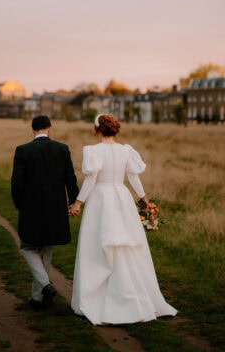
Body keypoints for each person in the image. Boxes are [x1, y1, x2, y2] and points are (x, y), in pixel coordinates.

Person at [69, 113, 177, 325]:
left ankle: (98, 296)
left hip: (101, 200)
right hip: (122, 197)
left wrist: (78, 203)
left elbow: (91, 179)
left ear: (97, 130)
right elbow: (133, 177)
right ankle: (128, 294)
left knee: (97, 246)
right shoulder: (125, 151)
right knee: (125, 245)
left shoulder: (92, 151)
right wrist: (144, 200)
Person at [11, 115, 79, 310]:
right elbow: (70, 179)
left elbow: (17, 182)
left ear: (33, 130)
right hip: (55, 207)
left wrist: (19, 204)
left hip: (31, 206)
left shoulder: (23, 150)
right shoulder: (62, 149)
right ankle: (38, 298)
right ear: (49, 129)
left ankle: (45, 288)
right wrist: (73, 201)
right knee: (46, 249)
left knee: (27, 247)